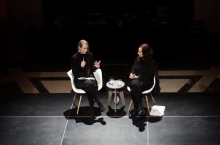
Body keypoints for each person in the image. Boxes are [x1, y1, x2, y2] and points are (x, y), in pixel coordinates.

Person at [71, 39, 105, 119]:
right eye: (84, 48)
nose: (86, 50)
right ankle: (98, 102)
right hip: (79, 81)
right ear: (79, 47)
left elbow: (90, 69)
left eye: (87, 48)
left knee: (89, 88)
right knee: (90, 84)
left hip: (88, 78)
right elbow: (74, 72)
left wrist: (96, 67)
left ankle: (92, 110)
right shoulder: (74, 57)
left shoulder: (90, 55)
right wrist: (80, 66)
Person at [128, 43, 156, 117]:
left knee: (134, 87)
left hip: (146, 82)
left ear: (145, 53)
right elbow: (133, 69)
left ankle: (136, 108)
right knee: (135, 84)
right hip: (136, 81)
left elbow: (149, 76)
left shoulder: (152, 63)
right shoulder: (137, 59)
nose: (138, 53)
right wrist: (131, 74)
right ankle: (140, 107)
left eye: (139, 52)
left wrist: (137, 77)